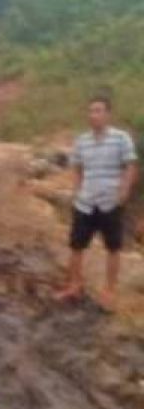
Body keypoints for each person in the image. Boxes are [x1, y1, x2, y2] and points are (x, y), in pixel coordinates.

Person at [56, 90, 139, 309]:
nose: (93, 115)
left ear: (108, 114)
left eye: (98, 111)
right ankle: (74, 285)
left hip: (110, 201)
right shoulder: (82, 141)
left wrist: (123, 192)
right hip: (85, 201)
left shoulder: (121, 138)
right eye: (91, 111)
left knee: (112, 247)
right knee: (76, 245)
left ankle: (110, 290)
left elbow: (130, 166)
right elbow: (76, 167)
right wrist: (76, 191)